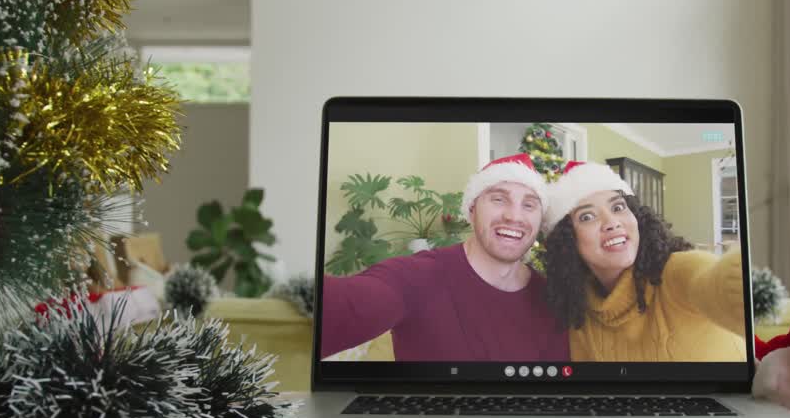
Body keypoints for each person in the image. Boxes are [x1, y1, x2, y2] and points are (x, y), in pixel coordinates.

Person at [320, 154, 569, 362]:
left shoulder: (552, 300)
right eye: (498, 199)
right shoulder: (416, 277)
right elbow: (343, 306)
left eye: (529, 205)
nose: (514, 216)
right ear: (472, 211)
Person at [540, 160, 748, 362]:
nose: (612, 222)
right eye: (587, 217)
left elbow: (715, 283)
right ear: (568, 241)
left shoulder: (676, 271)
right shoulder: (579, 313)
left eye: (618, 207)